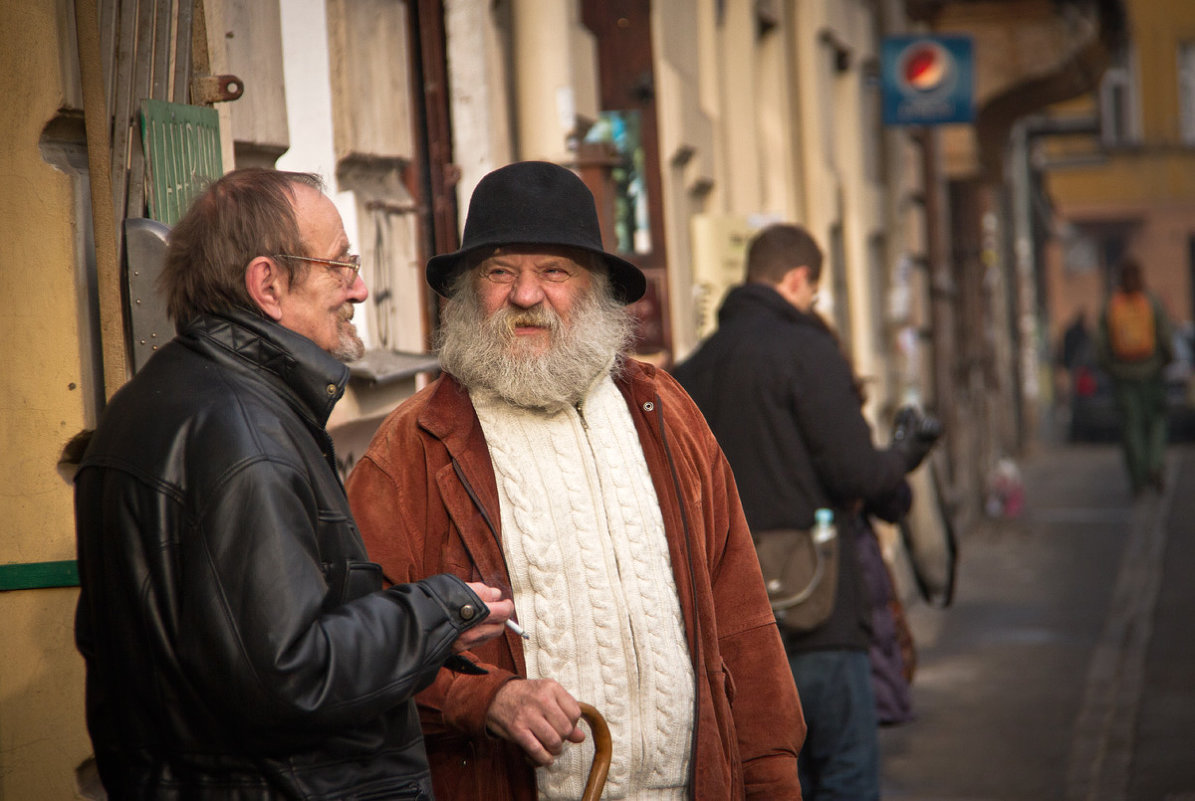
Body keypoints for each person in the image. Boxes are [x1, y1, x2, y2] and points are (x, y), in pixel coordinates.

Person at [345, 161, 805, 801]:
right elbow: (357, 652)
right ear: (466, 293)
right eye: (500, 272)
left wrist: (772, 783)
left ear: (596, 291)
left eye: (554, 272)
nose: (526, 296)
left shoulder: (666, 412)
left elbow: (743, 625)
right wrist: (484, 697)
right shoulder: (413, 449)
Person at [73, 168, 514, 800]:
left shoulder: (155, 404)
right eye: (339, 265)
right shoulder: (245, 433)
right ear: (268, 284)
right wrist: (437, 611)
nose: (359, 288)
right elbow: (291, 672)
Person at [672, 223, 941, 800]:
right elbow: (857, 474)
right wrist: (905, 455)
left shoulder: (688, 373)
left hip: (733, 617)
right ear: (798, 280)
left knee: (770, 781)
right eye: (812, 291)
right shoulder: (808, 351)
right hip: (821, 610)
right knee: (844, 773)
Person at [1096, 257, 1174, 494]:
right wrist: (1165, 362)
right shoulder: (1150, 301)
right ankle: (1155, 463)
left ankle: (1139, 478)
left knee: (1132, 429)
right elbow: (1165, 338)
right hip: (1151, 374)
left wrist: (1113, 369)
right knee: (1157, 422)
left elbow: (1100, 346)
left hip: (1124, 378)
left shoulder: (1112, 304)